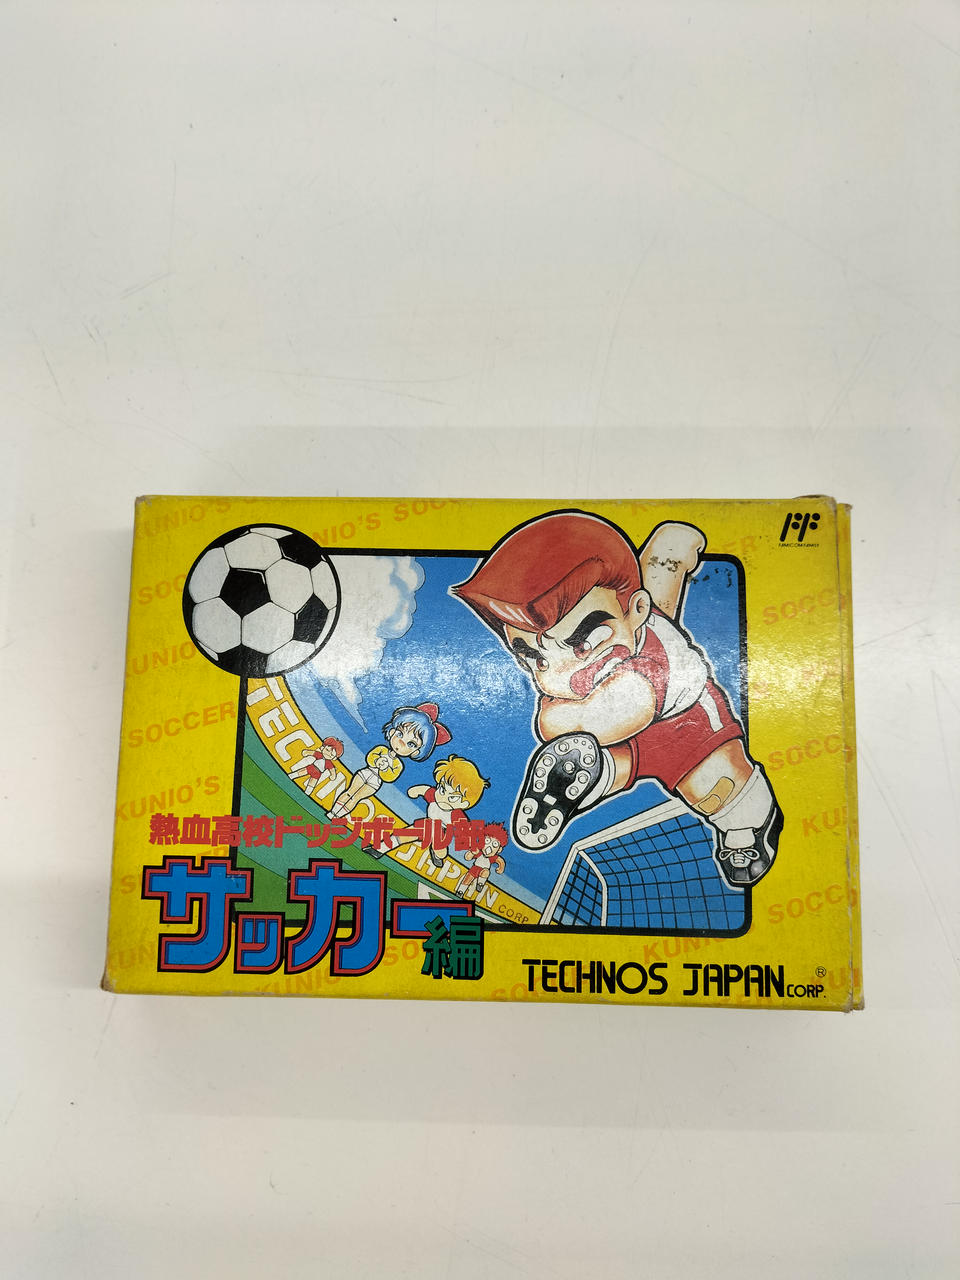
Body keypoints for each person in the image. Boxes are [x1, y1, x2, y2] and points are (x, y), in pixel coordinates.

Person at [452, 511, 782, 888]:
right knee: (605, 760)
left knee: (717, 787)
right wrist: (568, 730)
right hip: (617, 739)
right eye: (537, 659)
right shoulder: (597, 651)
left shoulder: (654, 659)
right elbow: (551, 722)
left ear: (637, 612)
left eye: (583, 643)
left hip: (689, 729)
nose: (561, 670)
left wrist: (674, 545)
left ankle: (746, 825)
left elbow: (628, 705)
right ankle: (590, 777)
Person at [328, 703, 450, 820]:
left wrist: (385, 769)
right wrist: (377, 761)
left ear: (416, 752)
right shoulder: (381, 749)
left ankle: (338, 816)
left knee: (356, 798)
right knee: (349, 792)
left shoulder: (398, 765)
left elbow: (390, 777)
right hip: (365, 773)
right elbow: (370, 757)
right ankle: (332, 812)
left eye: (411, 744)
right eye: (400, 733)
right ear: (392, 731)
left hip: (375, 782)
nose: (402, 742)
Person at [456, 824, 508, 899]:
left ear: (499, 849)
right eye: (487, 841)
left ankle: (480, 883)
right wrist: (472, 853)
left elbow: (500, 861)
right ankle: (460, 891)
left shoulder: (492, 857)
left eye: (495, 844)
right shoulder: (478, 852)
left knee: (486, 872)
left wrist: (501, 868)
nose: (489, 846)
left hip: (483, 870)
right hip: (474, 869)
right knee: (467, 879)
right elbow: (467, 857)